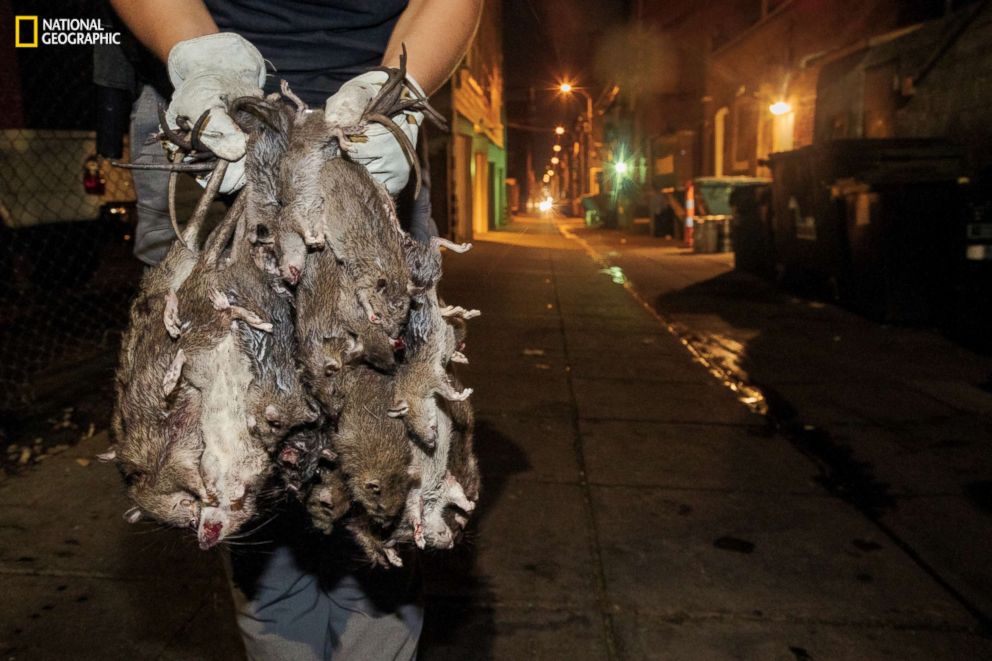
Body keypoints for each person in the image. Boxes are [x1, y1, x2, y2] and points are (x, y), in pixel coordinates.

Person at [107, 1, 483, 658]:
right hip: (209, 121)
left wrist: (403, 85)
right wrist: (198, 55)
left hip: (366, 130)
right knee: (239, 463)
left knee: (381, 463)